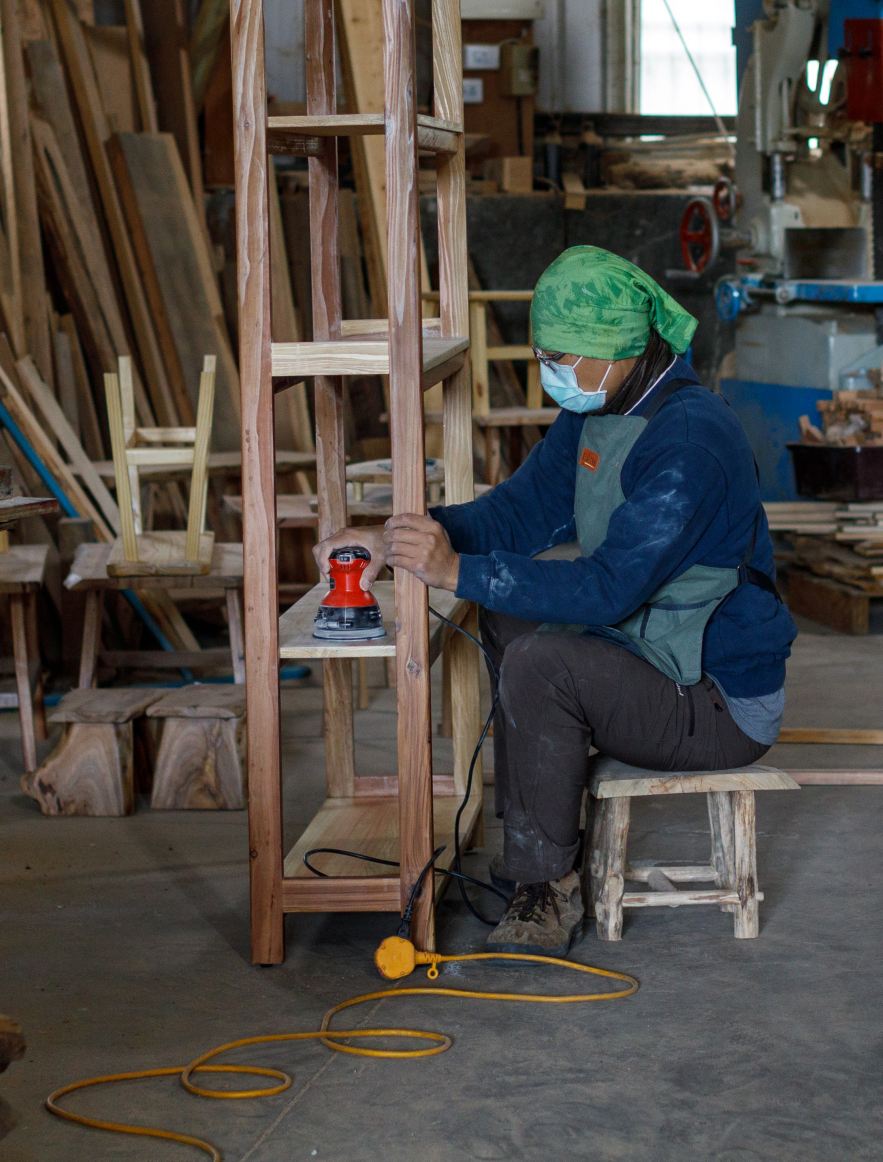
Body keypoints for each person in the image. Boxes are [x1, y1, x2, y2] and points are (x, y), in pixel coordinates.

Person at [313, 245, 796, 956]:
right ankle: (536, 832)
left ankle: (546, 888)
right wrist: (403, 538)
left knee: (542, 663)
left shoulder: (691, 440)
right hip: (654, 651)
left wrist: (457, 573)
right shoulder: (599, 409)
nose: (551, 373)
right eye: (546, 354)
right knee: (510, 612)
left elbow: (608, 588)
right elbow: (518, 514)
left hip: (718, 699)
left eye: (561, 357)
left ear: (620, 350)